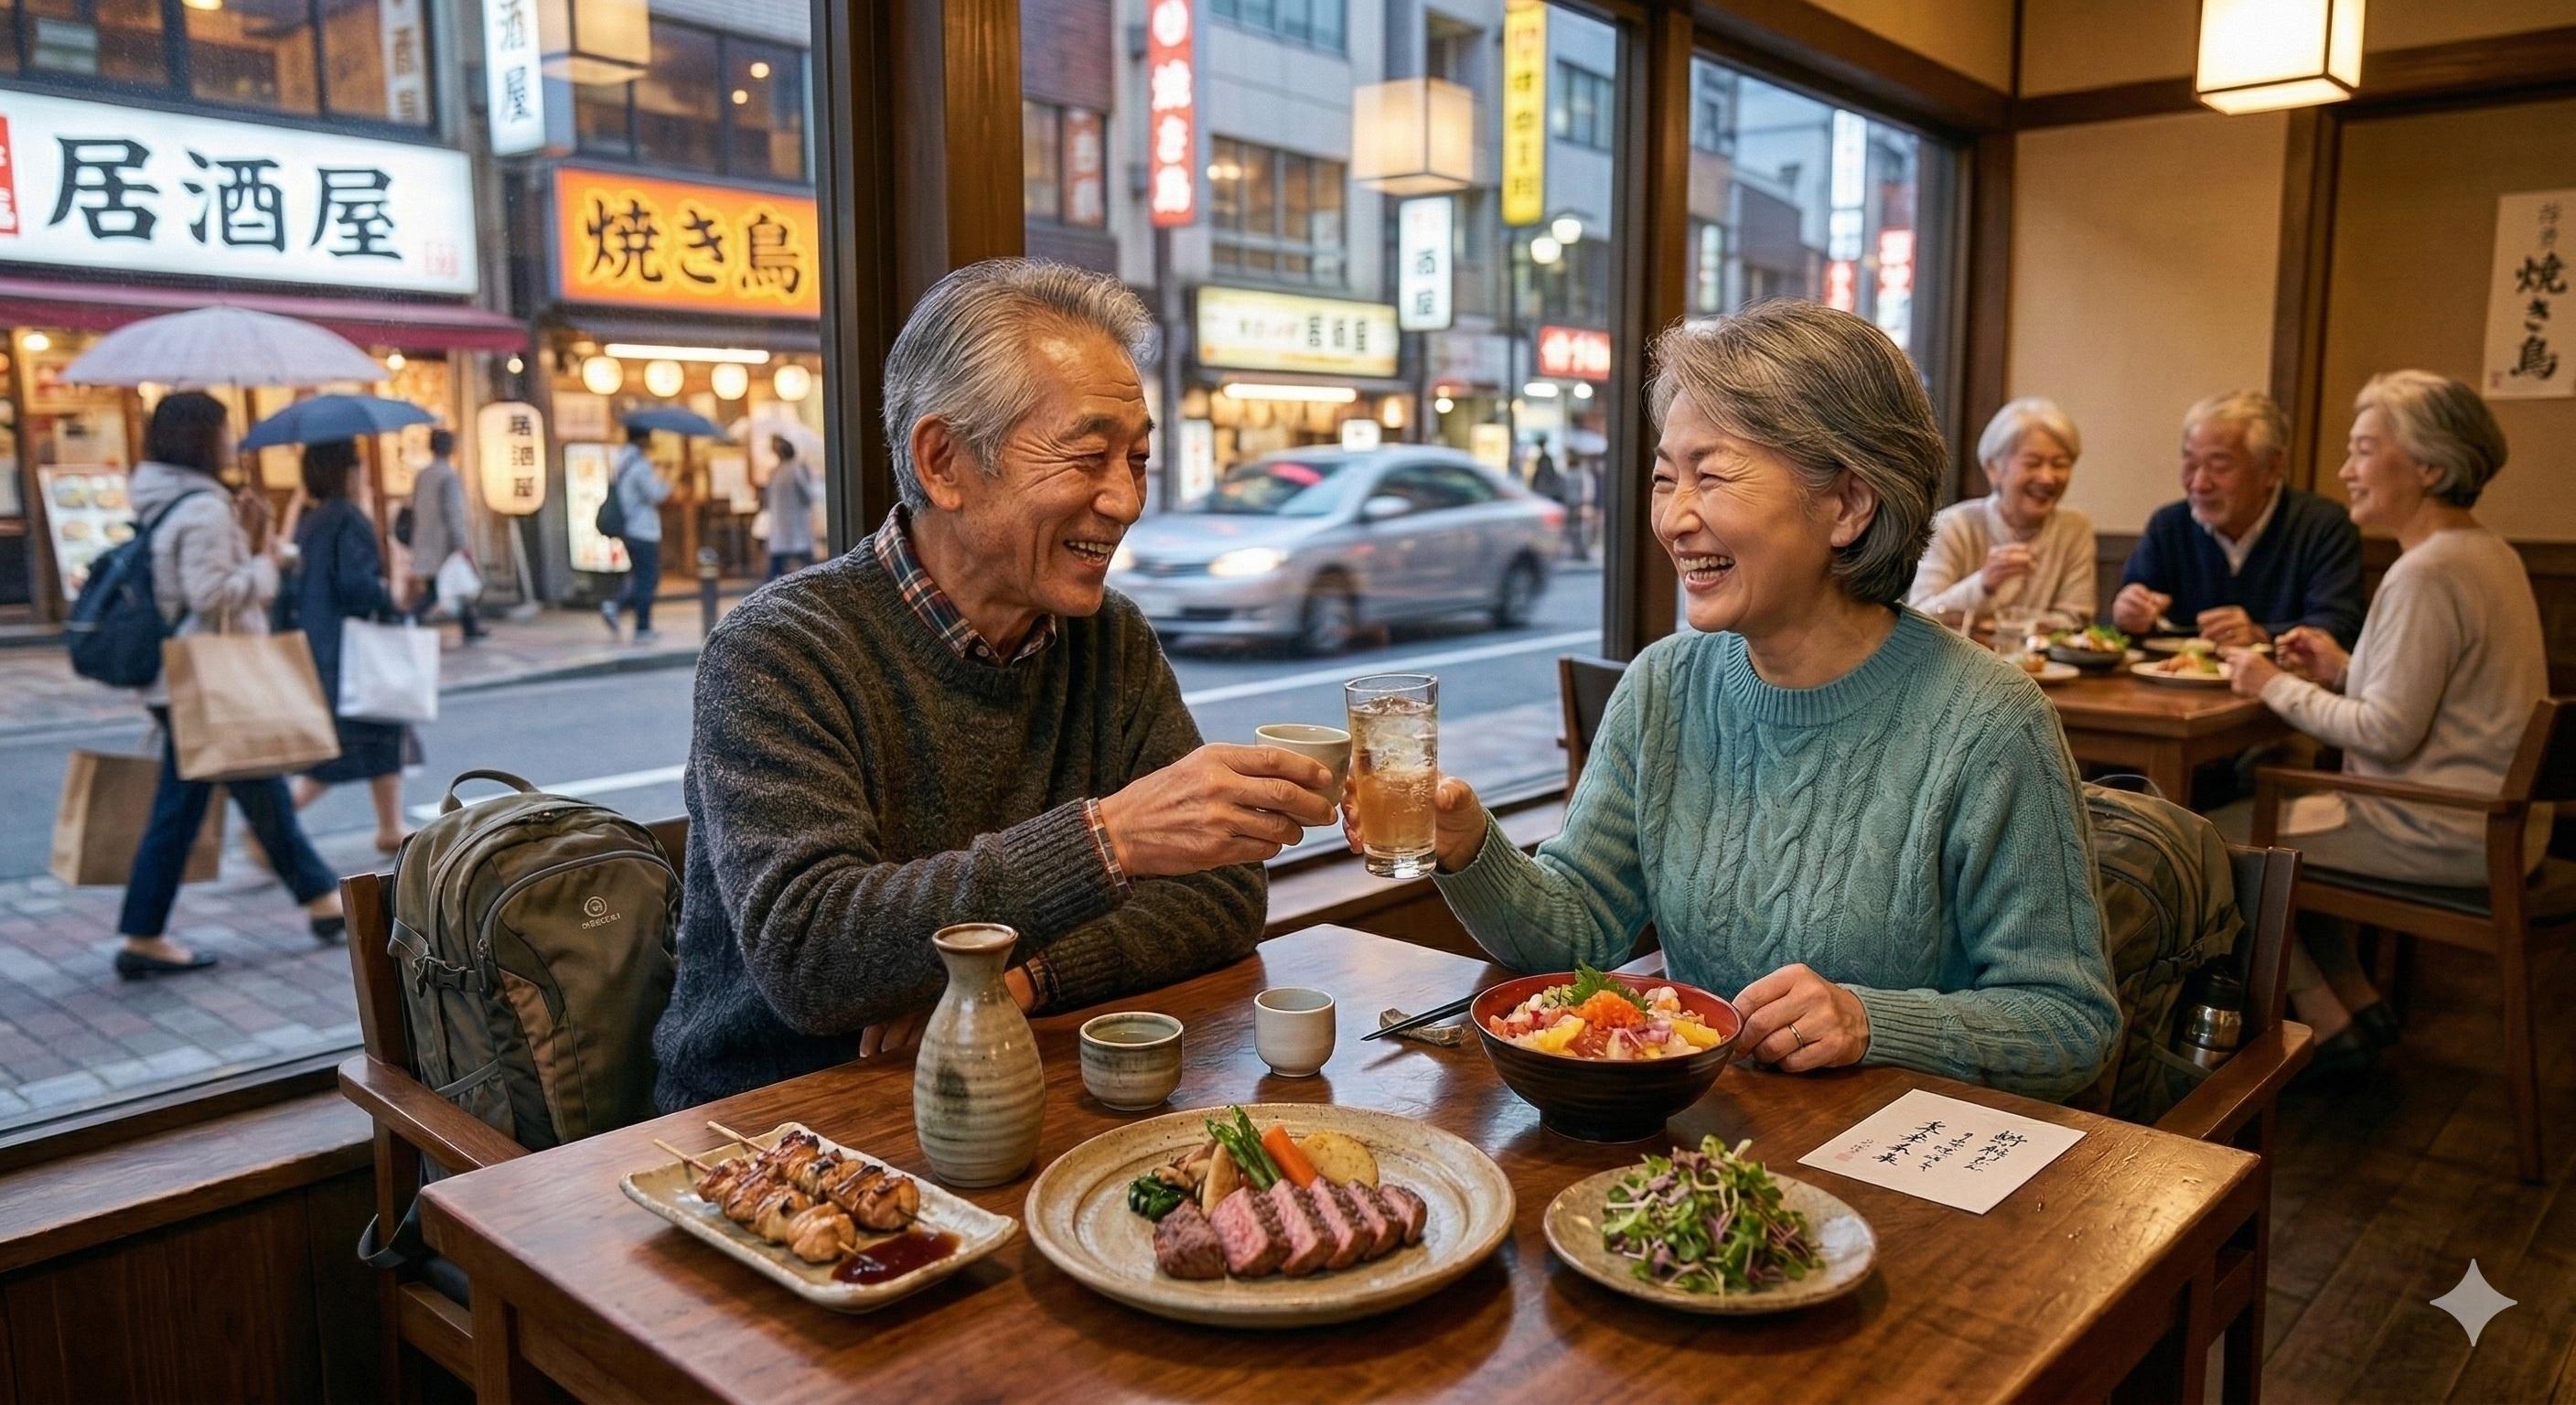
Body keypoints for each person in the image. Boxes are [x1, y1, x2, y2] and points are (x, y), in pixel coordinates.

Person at [1372, 302, 2119, 1101]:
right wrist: (1467, 845)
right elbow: (1578, 925)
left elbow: (2071, 1024)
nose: (1673, 518)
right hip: (1716, 1155)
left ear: (1848, 504)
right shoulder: (1664, 687)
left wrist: (1869, 1021)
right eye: (1666, 478)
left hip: (1906, 1173)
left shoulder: (1988, 721)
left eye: (1712, 475)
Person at [651, 259, 1337, 1111]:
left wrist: (1021, 980)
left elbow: (1222, 893)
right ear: (944, 462)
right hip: (781, 1121)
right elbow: (813, 955)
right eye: (1089, 456)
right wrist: (1109, 841)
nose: (1125, 501)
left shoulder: (1107, 637)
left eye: (1138, 458)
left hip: (1006, 1085)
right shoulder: (781, 649)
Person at [2217, 372, 2544, 1071]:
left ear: (2428, 466)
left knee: (2213, 839)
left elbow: (2388, 733)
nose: (2345, 471)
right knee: (2285, 824)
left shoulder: (2426, 572)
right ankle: (2356, 1005)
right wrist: (2341, 668)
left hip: (2436, 828)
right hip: (2495, 823)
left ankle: (2325, 1029)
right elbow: (2434, 699)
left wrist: (2266, 679)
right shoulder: (2489, 553)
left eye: (2364, 450)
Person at [114, 392, 345, 980]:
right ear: (201, 438)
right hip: (208, 683)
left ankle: (320, 902)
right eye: (222, 431)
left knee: (259, 792)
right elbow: (213, 595)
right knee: (186, 810)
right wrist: (265, 559)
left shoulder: (166, 499)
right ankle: (142, 935)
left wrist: (247, 535)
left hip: (188, 680)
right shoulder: (202, 508)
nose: (230, 440)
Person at [2112, 391, 2364, 649]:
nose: (2199, 484)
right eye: (2190, 464)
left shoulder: (2321, 526)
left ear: (2272, 469)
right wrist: (2129, 616)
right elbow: (2132, 618)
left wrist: (2262, 635)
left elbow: (2339, 625)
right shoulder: (2169, 525)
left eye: (2219, 467)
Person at [282, 438, 416, 856]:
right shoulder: (347, 519)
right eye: (357, 466)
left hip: (322, 644)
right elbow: (356, 588)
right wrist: (387, 595)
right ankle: (277, 823)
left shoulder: (312, 520)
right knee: (358, 740)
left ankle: (391, 825)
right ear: (347, 472)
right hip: (354, 649)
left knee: (375, 735)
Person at [1907, 397, 2096, 623]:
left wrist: (2004, 627)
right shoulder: (1953, 525)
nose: (2047, 478)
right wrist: (1984, 583)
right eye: (2032, 463)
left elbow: (2075, 618)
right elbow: (1920, 615)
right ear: (1993, 469)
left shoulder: (2074, 528)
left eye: (2060, 464)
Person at [406, 428, 486, 642]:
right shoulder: (448, 476)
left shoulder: (423, 475)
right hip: (444, 543)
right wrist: (462, 544)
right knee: (446, 587)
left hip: (426, 539)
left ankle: (470, 626)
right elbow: (454, 513)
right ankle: (409, 618)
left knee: (452, 586)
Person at [601, 424, 671, 642]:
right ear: (642, 439)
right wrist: (668, 478)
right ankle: (641, 627)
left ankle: (617, 608)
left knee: (641, 577)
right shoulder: (639, 465)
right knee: (648, 579)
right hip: (642, 530)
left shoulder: (622, 459)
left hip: (630, 528)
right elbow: (655, 495)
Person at [762, 434, 819, 580]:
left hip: (793, 525)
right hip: (787, 527)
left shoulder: (790, 469)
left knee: (801, 565)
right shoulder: (779, 470)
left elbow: (807, 495)